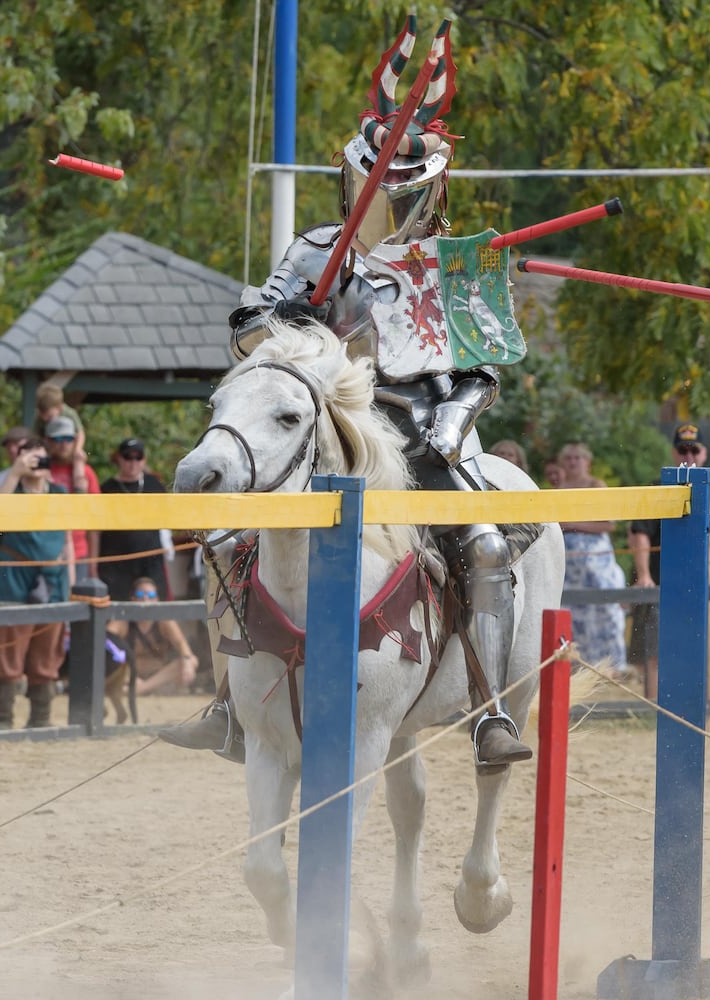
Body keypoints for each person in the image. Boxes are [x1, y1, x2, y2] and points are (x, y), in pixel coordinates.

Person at [162, 18, 533, 770]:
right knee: (232, 535)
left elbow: (483, 369)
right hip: (323, 425)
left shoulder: (456, 267)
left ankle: (489, 708)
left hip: (420, 425)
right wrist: (286, 316)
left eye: (389, 197)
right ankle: (232, 703)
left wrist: (451, 428)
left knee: (486, 546)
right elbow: (243, 329)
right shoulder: (312, 251)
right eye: (364, 189)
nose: (373, 207)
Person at [0, 438, 71, 729]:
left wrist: (68, 582)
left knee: (47, 656)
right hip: (13, 577)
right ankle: (2, 719)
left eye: (40, 456)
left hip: (53, 578)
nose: (35, 461)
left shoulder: (60, 494)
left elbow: (67, 541)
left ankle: (41, 719)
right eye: (28, 455)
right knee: (8, 654)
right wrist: (15, 473)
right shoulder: (10, 487)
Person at [628, 423, 709, 697]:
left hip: (698, 586)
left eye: (694, 450)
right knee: (656, 650)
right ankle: (655, 705)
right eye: (683, 449)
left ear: (704, 453)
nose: (689, 456)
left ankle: (689, 699)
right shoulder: (657, 487)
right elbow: (639, 532)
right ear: (674, 453)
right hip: (662, 583)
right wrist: (644, 575)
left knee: (694, 648)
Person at [557, 441, 628, 674]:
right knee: (570, 612)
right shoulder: (559, 489)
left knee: (605, 610)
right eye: (569, 458)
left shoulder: (596, 485)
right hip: (568, 564)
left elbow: (608, 524)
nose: (573, 462)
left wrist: (574, 524)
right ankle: (576, 668)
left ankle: (612, 667)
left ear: (587, 462)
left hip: (596, 562)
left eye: (578, 458)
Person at [98, 438, 170, 601]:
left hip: (151, 560)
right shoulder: (107, 489)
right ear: (119, 459)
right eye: (127, 457)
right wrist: (92, 565)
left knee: (157, 611)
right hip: (116, 563)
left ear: (143, 460)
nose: (133, 462)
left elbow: (167, 523)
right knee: (118, 611)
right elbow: (95, 531)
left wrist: (167, 548)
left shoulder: (155, 486)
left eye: (138, 457)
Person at [105, 576, 201, 698]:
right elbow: (105, 642)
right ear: (132, 599)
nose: (145, 599)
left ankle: (141, 689)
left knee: (192, 661)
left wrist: (187, 662)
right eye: (140, 594)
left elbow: (182, 645)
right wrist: (128, 675)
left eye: (150, 596)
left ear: (157, 600)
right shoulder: (123, 621)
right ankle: (141, 688)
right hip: (128, 676)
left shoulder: (164, 620)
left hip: (157, 677)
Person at [43, 414, 101, 580]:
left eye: (69, 438)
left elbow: (94, 524)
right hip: (47, 553)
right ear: (48, 441)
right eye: (58, 438)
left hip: (79, 552)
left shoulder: (86, 473)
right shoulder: (40, 472)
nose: (64, 444)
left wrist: (93, 563)